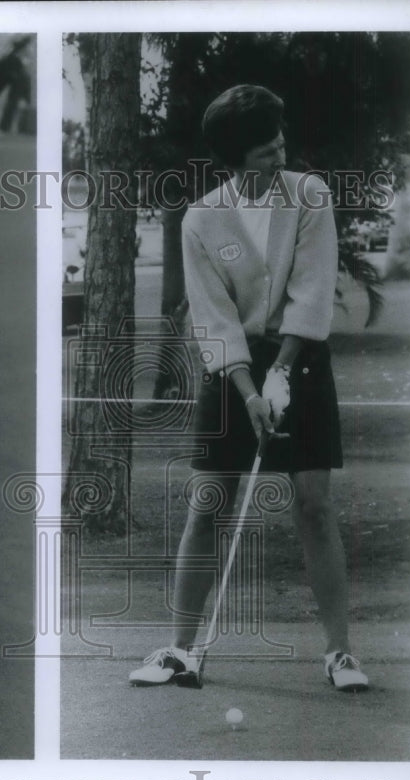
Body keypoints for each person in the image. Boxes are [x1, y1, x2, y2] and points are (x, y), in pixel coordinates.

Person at [130, 84, 368, 693]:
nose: (279, 155)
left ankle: (340, 654)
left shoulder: (308, 195)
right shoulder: (203, 219)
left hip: (301, 357)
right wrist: (248, 388)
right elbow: (212, 316)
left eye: (280, 141)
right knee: (207, 504)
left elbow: (311, 293)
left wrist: (281, 372)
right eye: (265, 151)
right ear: (235, 159)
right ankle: (180, 650)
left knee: (313, 506)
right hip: (231, 370)